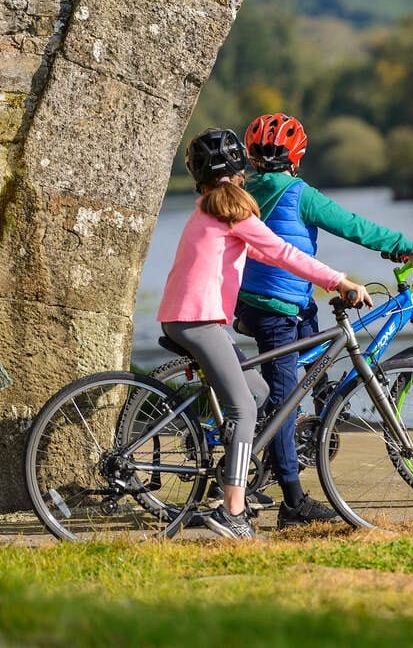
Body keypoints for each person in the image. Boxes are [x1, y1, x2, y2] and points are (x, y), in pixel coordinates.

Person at [157, 128, 371, 539]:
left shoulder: (206, 209)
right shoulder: (234, 210)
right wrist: (338, 281)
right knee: (245, 409)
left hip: (185, 318)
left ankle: (240, 477)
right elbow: (283, 252)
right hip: (200, 321)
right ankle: (232, 512)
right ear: (240, 169)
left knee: (258, 392)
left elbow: (260, 250)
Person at [233, 112, 413, 530]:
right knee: (286, 401)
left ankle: (311, 436)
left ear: (251, 156)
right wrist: (403, 247)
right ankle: (292, 502)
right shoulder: (299, 193)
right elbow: (352, 226)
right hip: (278, 309)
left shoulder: (241, 190)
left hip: (261, 303)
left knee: (316, 365)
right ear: (297, 157)